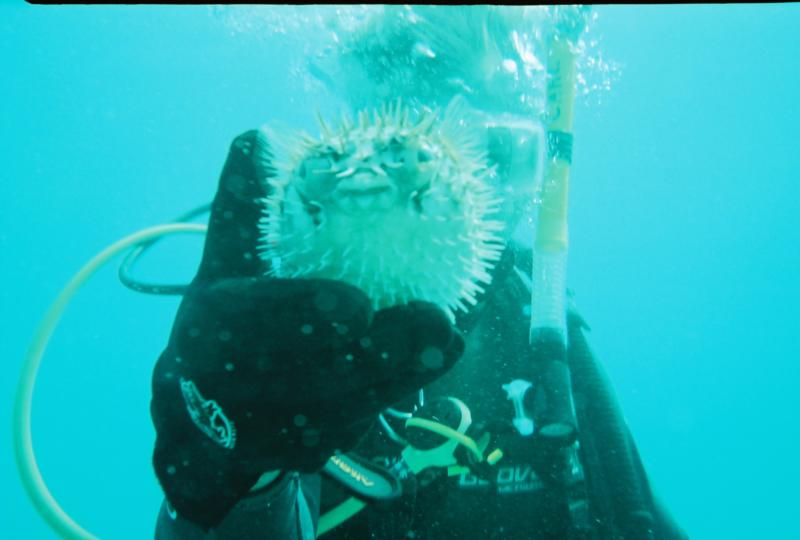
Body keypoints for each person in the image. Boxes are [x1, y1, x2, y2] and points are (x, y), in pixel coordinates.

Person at [150, 120, 687, 539]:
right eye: (331, 166)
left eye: (498, 151)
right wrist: (227, 465)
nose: (372, 183)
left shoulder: (551, 357)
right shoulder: (270, 356)